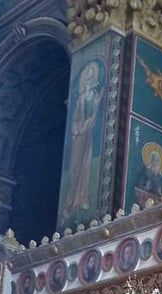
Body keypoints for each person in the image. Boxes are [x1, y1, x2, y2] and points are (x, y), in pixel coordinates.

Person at [63, 61, 103, 220]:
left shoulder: (94, 96)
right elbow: (75, 119)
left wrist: (96, 105)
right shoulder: (80, 99)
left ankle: (84, 198)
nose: (88, 81)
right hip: (79, 135)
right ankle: (70, 202)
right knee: (75, 167)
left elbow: (94, 115)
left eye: (91, 78)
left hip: (88, 134)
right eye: (86, 78)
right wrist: (77, 130)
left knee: (86, 164)